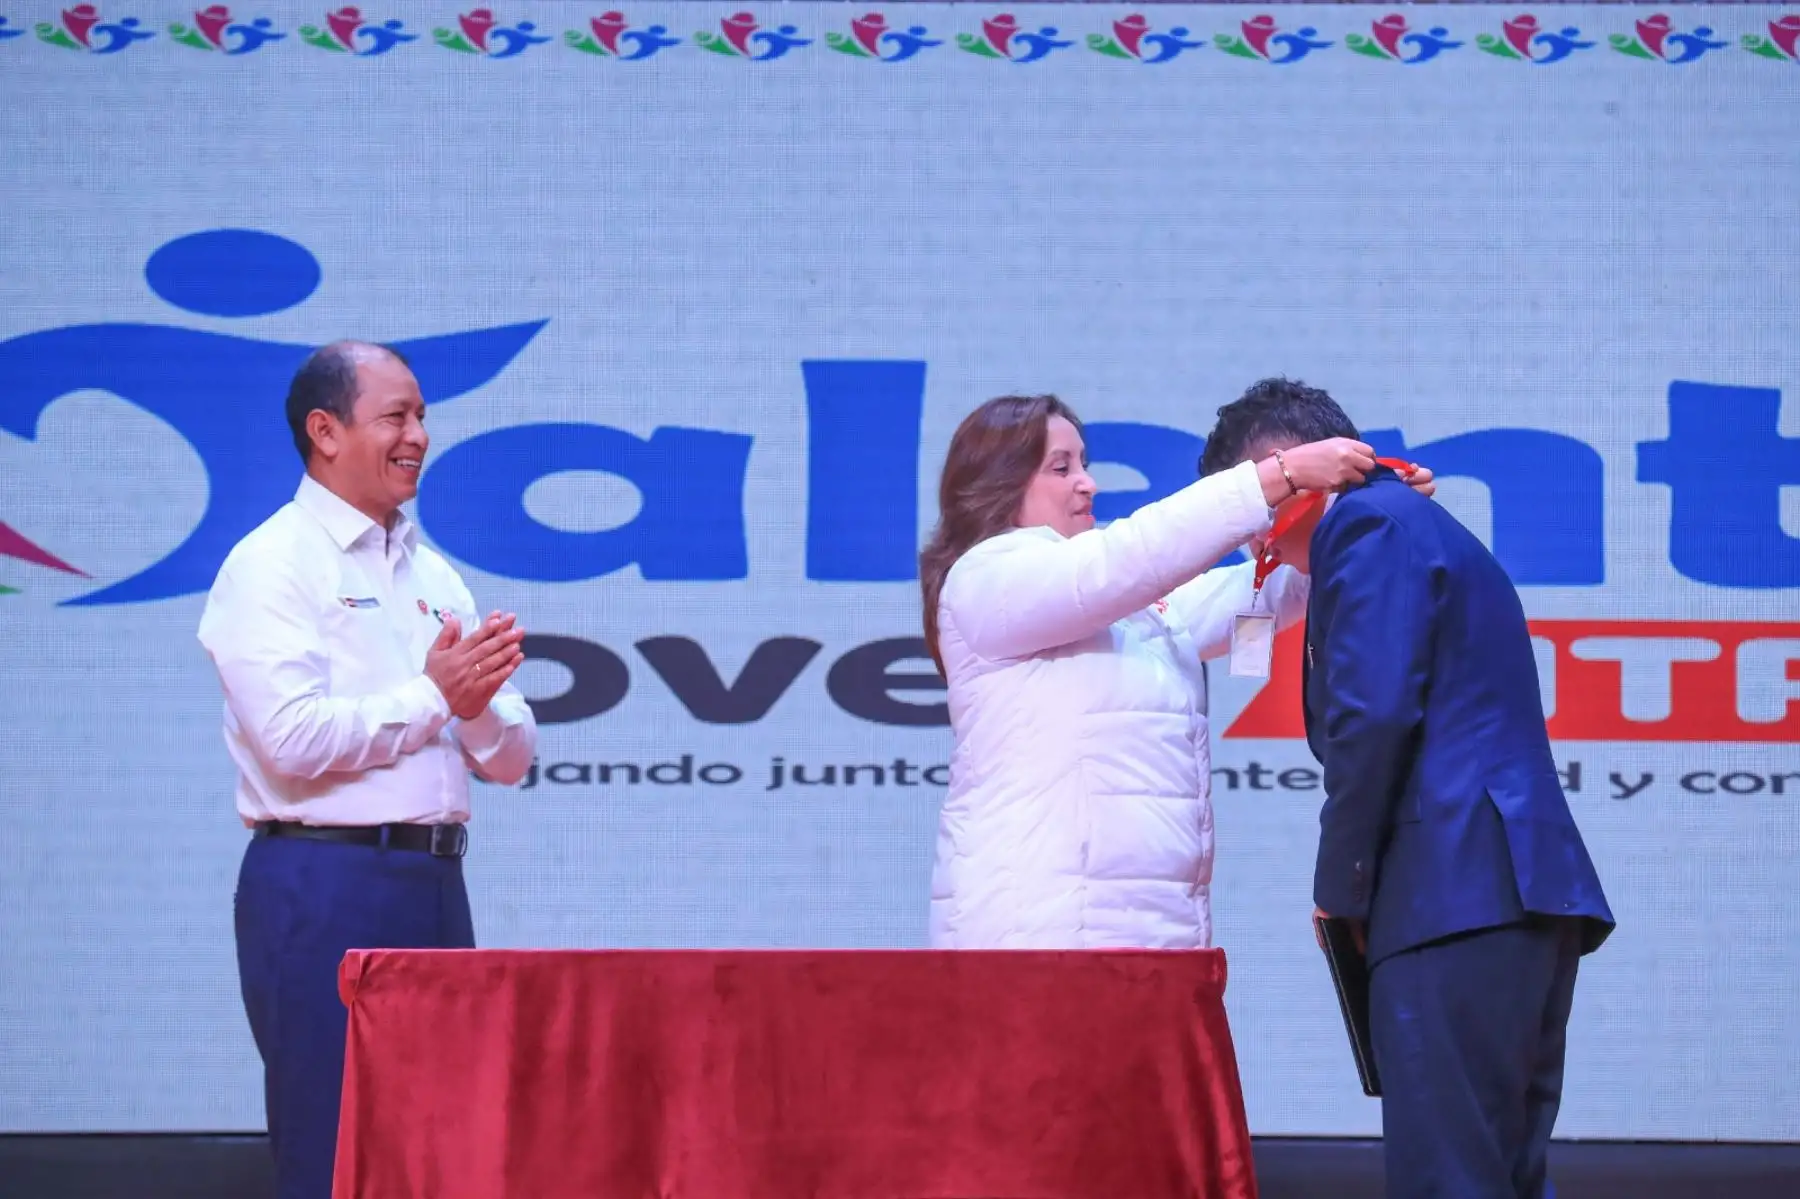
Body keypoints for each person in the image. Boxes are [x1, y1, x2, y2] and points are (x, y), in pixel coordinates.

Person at [1199, 377, 1615, 1199]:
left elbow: (1372, 715)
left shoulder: (1368, 526)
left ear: (1287, 474)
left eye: (1248, 507)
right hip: (1505, 895)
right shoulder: (1407, 522)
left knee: (1451, 1177)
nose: (1253, 539)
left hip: (1452, 897)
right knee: (1501, 1173)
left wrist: (1340, 889)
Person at [196, 341, 538, 1199]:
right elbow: (292, 741)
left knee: (446, 1144)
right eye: (396, 415)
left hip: (432, 881)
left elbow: (511, 757)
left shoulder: (433, 574)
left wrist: (473, 703)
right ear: (325, 430)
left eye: (422, 415)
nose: (418, 434)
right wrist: (434, 694)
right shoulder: (270, 564)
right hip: (318, 882)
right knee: (331, 1141)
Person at [921, 393, 1435, 949]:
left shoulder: (1137, 611)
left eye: (1085, 465)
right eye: (1061, 468)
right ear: (999, 482)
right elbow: (1131, 558)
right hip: (1032, 938)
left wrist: (1354, 515)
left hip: (1153, 937)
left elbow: (1263, 590)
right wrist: (1279, 476)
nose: (1088, 484)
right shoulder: (986, 580)